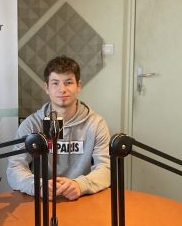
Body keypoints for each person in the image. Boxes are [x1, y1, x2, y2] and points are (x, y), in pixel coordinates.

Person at [7, 56, 110, 200]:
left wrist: (80, 185)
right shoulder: (31, 124)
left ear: (78, 86)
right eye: (55, 83)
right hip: (42, 200)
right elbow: (15, 168)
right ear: (46, 87)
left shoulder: (96, 124)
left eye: (68, 82)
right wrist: (37, 186)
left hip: (82, 198)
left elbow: (105, 169)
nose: (62, 89)